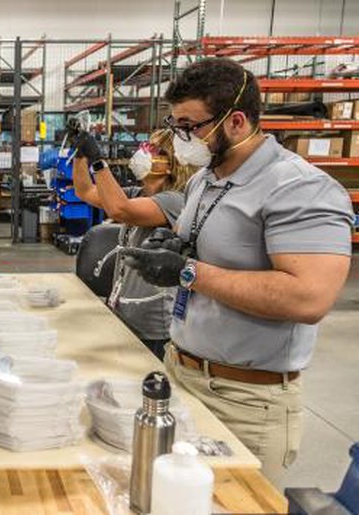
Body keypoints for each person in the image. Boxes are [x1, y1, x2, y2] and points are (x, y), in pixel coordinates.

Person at [122, 57, 354, 486]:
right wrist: (175, 248)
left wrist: (188, 273)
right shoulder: (203, 181)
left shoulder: (300, 187)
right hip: (181, 375)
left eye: (190, 127)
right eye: (176, 126)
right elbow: (208, 250)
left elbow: (309, 298)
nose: (181, 138)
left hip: (247, 399)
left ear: (236, 122)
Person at [72, 128, 195, 360]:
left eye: (153, 149)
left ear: (172, 163)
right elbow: (85, 191)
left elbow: (120, 209)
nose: (143, 152)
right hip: (125, 312)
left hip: (153, 326)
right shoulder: (138, 194)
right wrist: (81, 155)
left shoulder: (175, 201)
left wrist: (98, 162)